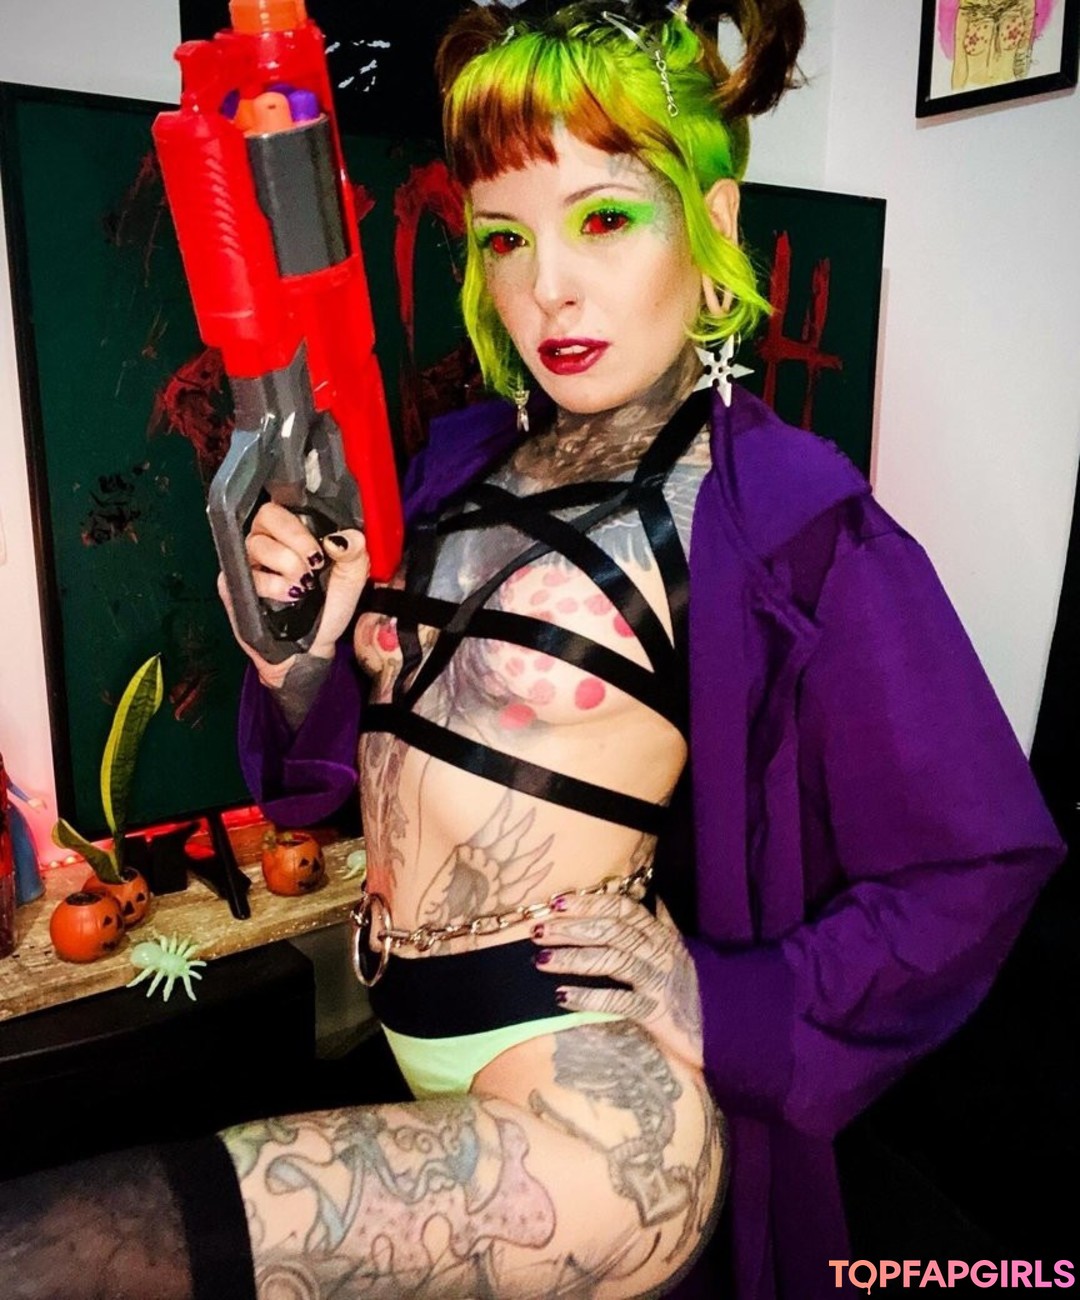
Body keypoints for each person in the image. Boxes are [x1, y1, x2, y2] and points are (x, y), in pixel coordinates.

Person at [0, 2, 1063, 1298]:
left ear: (714, 227)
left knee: (69, 1251)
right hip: (409, 1034)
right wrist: (297, 660)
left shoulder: (781, 518)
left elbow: (979, 859)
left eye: (603, 218)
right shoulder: (455, 470)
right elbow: (339, 781)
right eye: (505, 236)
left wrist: (726, 1001)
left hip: (593, 1114)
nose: (547, 284)